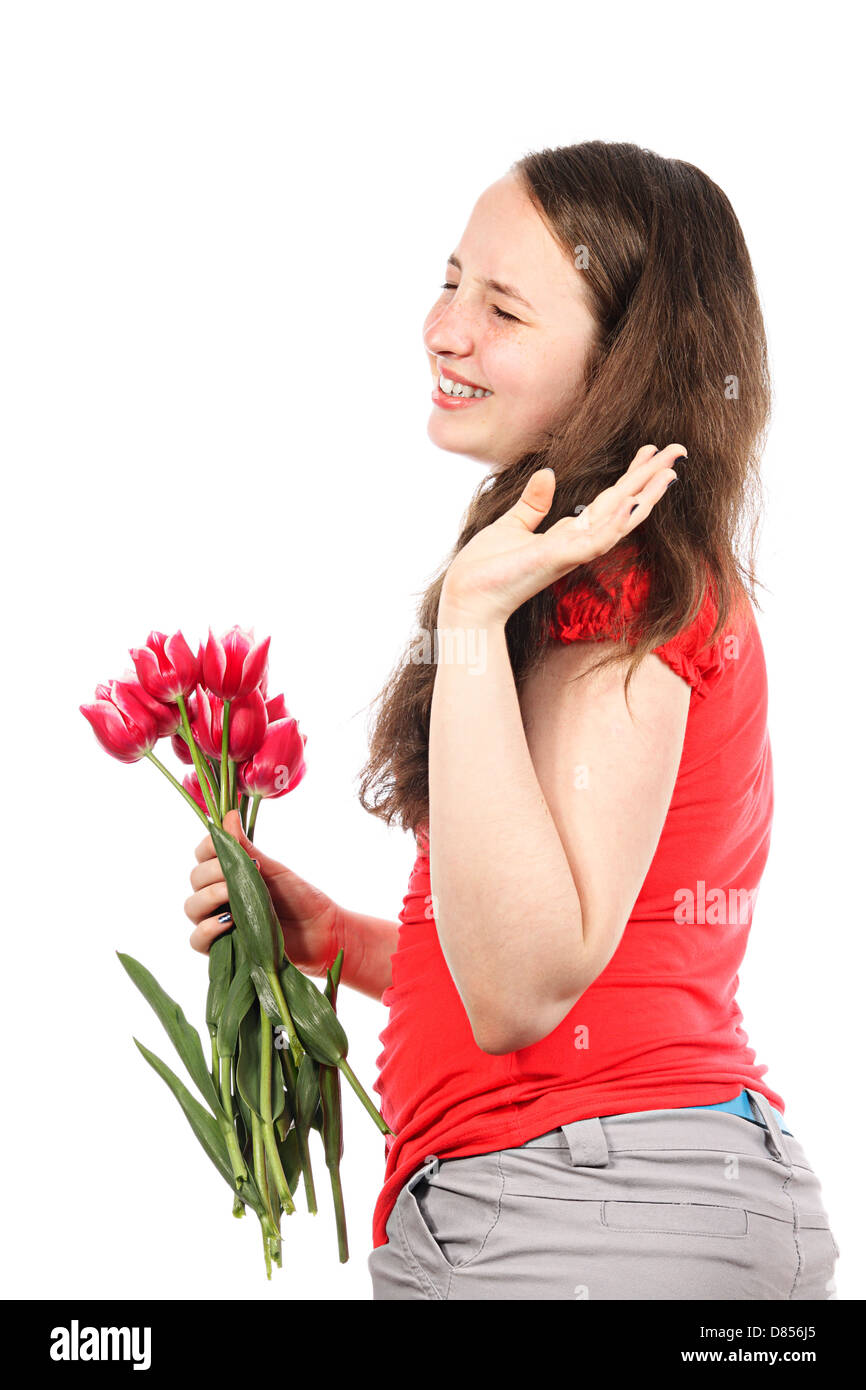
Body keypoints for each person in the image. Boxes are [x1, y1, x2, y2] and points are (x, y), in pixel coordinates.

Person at [184, 141, 839, 1300]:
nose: (442, 329)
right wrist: (334, 937)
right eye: (448, 282)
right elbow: (561, 950)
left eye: (502, 308)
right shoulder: (614, 577)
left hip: (580, 1200)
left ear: (621, 360)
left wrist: (474, 618)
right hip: (622, 1190)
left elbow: (523, 987)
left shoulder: (624, 583)